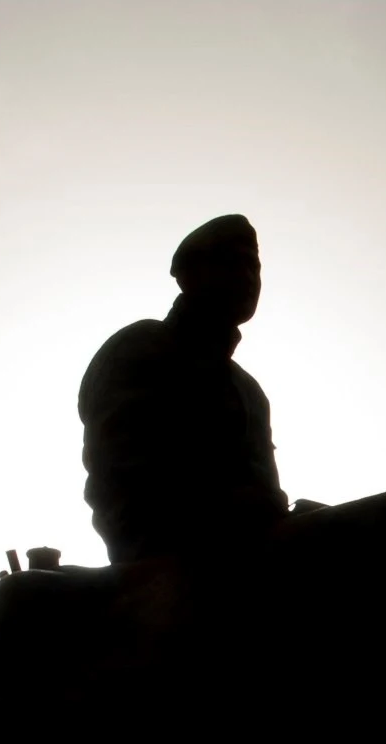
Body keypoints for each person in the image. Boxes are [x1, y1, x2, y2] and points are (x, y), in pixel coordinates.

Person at [78, 214, 288, 565]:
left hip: (254, 557)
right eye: (231, 263)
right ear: (189, 275)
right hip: (168, 565)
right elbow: (123, 485)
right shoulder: (141, 348)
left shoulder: (249, 390)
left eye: (254, 266)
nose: (248, 278)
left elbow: (267, 496)